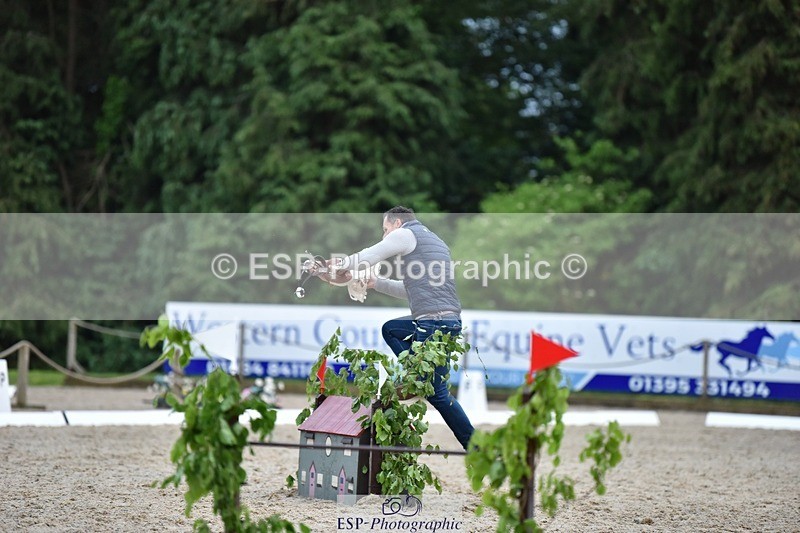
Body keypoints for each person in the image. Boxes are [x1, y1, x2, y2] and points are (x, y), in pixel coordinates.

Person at [328, 206, 474, 450]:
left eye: (385, 230)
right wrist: (376, 283)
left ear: (396, 223)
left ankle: (477, 448)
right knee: (391, 329)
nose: (385, 236)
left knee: (438, 394)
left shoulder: (406, 234)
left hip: (433, 322)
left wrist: (341, 265)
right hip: (447, 320)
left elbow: (371, 254)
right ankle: (415, 375)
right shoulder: (435, 241)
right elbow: (411, 291)